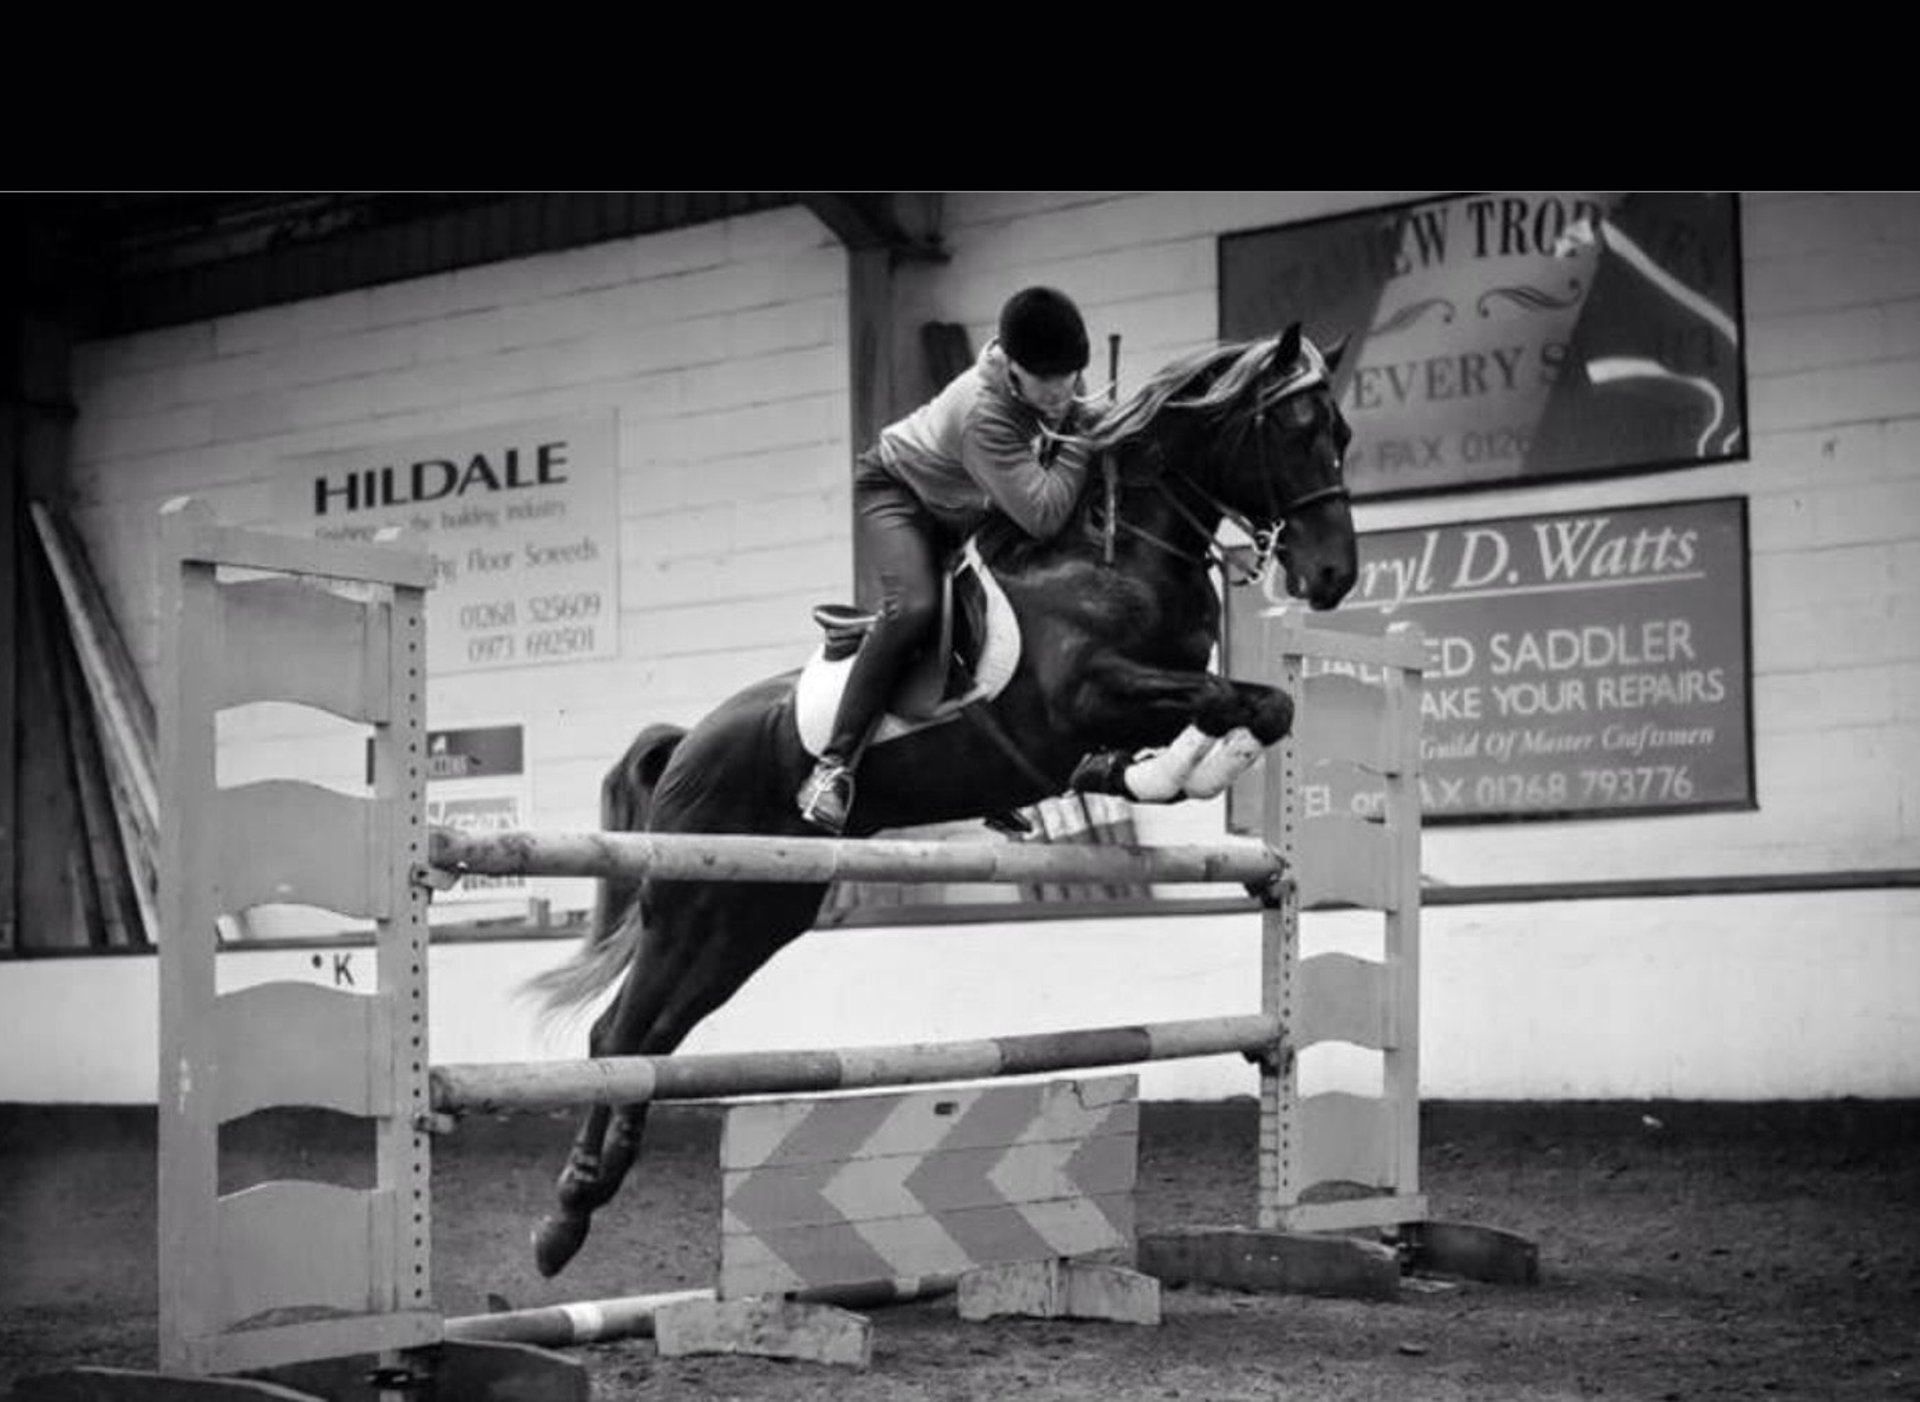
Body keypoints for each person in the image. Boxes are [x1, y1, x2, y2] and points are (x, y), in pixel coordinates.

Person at [797, 286, 1097, 834]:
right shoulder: (982, 413)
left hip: (967, 502)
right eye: (1046, 382)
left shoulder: (1053, 385)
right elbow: (1045, 514)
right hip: (900, 494)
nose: (1061, 395)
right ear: (1013, 370)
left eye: (1071, 378)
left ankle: (988, 769)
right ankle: (833, 766)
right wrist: (1082, 438)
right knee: (914, 607)